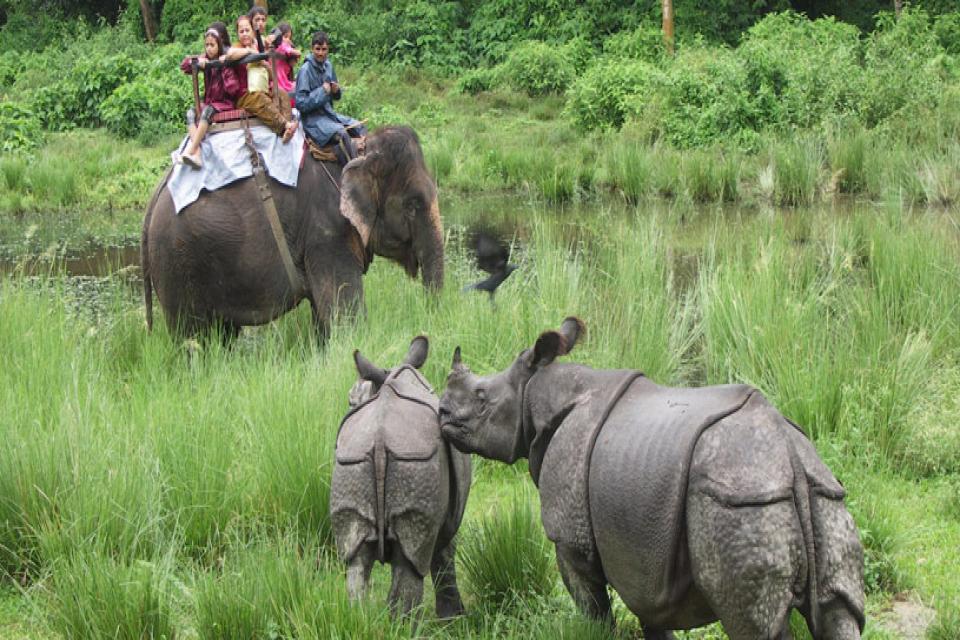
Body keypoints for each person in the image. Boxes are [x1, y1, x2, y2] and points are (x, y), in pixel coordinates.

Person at [294, 31, 366, 159]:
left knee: (360, 126)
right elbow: (300, 103)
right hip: (314, 121)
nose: (321, 53)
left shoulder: (328, 66)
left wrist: (336, 91)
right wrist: (322, 91)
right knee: (342, 134)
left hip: (329, 115)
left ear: (328, 49)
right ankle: (353, 169)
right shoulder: (305, 70)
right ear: (312, 49)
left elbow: (336, 96)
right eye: (318, 49)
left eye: (324, 49)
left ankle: (366, 161)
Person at [225, 14, 297, 142]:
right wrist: (249, 52)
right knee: (259, 98)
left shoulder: (258, 46)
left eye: (247, 30)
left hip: (262, 88)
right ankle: (284, 126)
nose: (245, 34)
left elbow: (269, 75)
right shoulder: (237, 47)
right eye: (241, 31)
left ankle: (287, 127)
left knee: (282, 94)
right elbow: (229, 55)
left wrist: (264, 64)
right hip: (245, 95)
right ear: (237, 34)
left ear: (253, 31)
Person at [178, 25, 241, 169]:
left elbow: (233, 89)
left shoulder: (225, 61)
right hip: (210, 101)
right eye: (207, 45)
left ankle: (191, 149)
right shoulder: (205, 59)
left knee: (206, 112)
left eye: (212, 45)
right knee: (190, 113)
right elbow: (184, 66)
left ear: (219, 45)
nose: (209, 48)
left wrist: (222, 67)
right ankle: (197, 152)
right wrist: (197, 62)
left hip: (224, 102)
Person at [272, 22, 300, 105]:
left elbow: (293, 61)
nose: (287, 40)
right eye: (285, 37)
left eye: (289, 37)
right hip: (279, 84)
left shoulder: (284, 51)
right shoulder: (279, 47)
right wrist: (295, 50)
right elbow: (287, 49)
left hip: (283, 82)